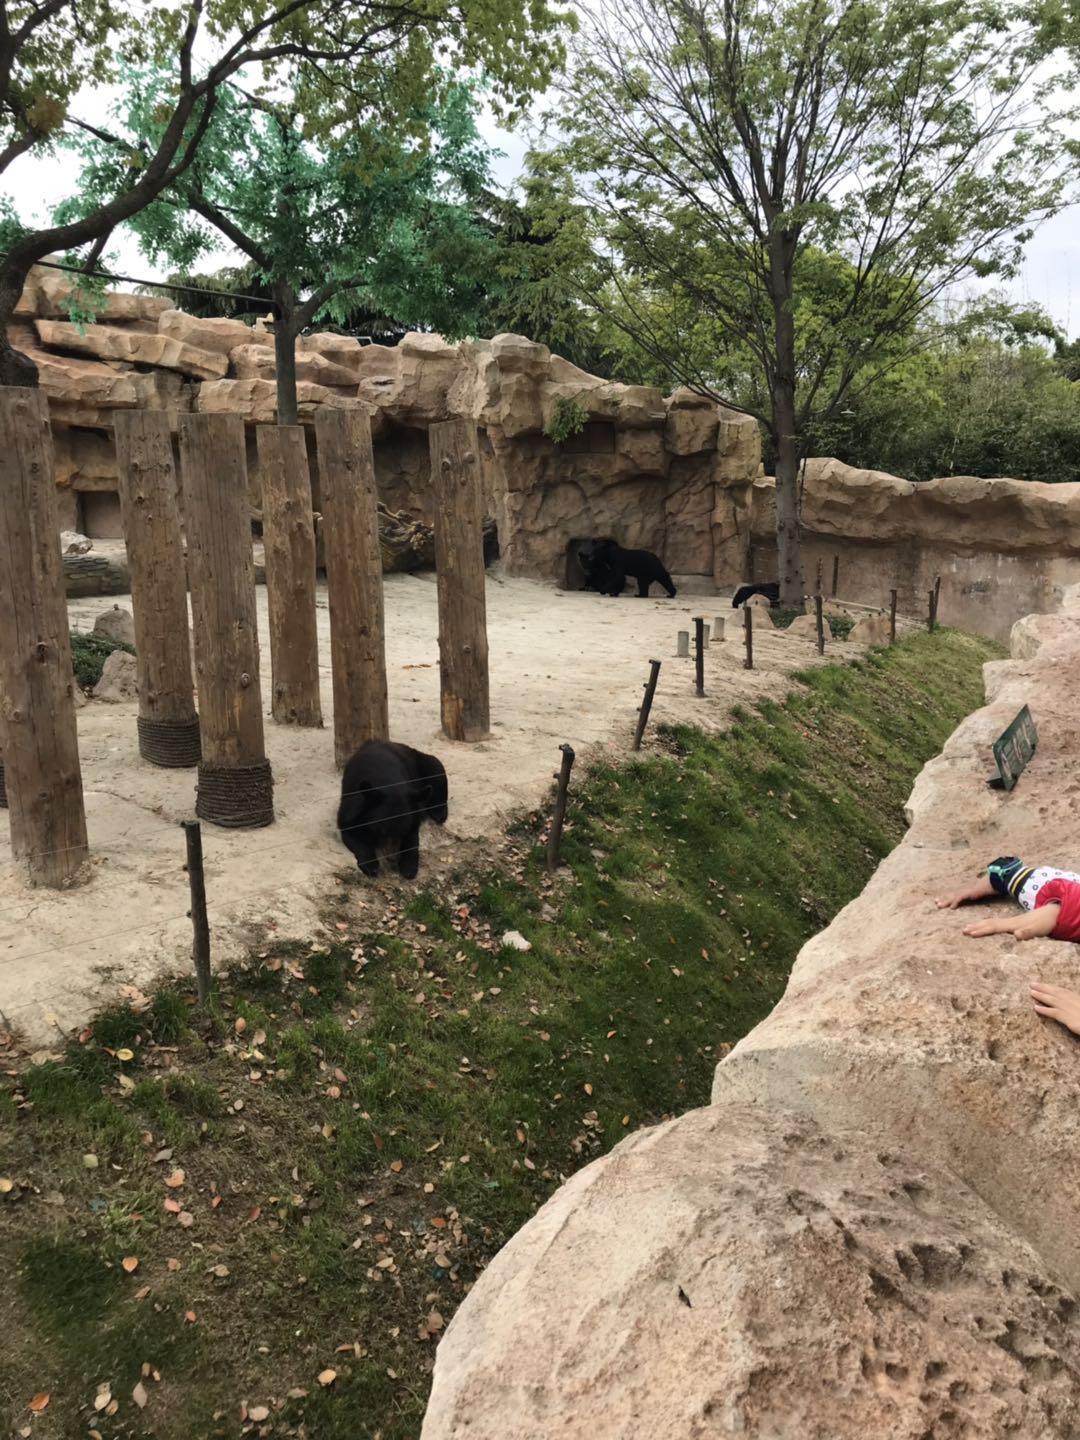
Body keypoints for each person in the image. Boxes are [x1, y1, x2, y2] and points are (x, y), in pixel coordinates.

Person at [936, 856, 1080, 1036]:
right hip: (1051, 887)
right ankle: (1005, 874)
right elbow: (1072, 902)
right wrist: (1057, 914)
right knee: (1029, 882)